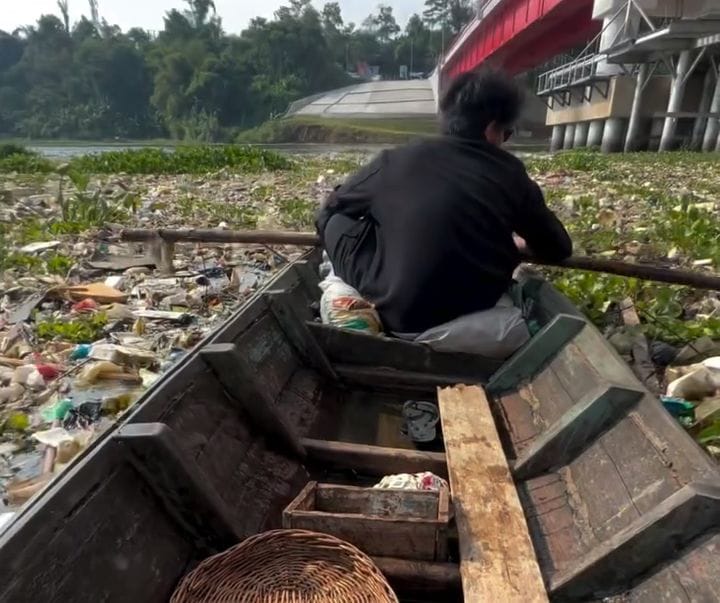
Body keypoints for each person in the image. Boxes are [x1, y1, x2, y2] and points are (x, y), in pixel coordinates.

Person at [315, 68, 572, 357]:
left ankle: (352, 296)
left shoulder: (396, 159)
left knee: (330, 217)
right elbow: (558, 247)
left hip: (394, 312)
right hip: (468, 306)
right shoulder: (510, 172)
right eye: (507, 133)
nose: (504, 140)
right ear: (491, 129)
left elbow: (336, 204)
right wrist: (523, 244)